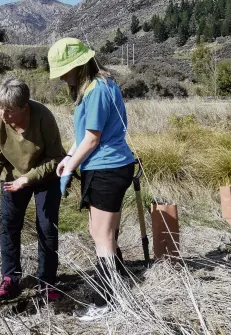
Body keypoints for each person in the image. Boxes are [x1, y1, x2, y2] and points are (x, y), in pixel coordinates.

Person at [48, 38, 135, 320]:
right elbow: (83, 135)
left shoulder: (97, 90)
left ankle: (107, 301)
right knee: (100, 232)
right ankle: (119, 286)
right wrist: (68, 158)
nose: (61, 77)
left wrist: (72, 166)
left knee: (103, 236)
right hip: (104, 167)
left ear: (79, 65)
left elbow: (94, 139)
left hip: (106, 168)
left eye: (64, 70)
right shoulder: (98, 86)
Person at [0, 76, 66, 301]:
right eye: (0, 108)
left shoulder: (43, 117)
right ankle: (10, 279)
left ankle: (47, 282)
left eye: (9, 110)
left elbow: (56, 157)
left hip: (45, 177)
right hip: (13, 180)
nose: (3, 115)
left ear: (25, 107)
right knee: (9, 226)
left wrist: (29, 178)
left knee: (47, 227)